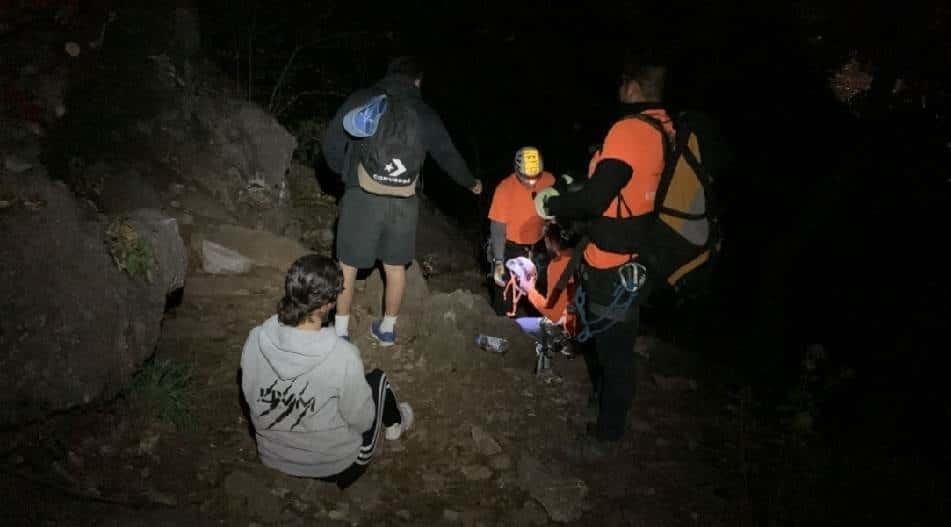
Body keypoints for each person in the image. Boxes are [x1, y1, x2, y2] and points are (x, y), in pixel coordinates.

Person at [535, 58, 671, 456]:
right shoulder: (663, 127)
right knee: (616, 344)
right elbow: (623, 186)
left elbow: (597, 198)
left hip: (612, 264)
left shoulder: (629, 129)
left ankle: (608, 434)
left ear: (632, 86)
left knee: (614, 352)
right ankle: (606, 408)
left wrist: (556, 202)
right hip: (638, 256)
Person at [321, 56, 482, 345]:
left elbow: (332, 140)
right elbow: (447, 154)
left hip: (363, 195)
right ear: (417, 81)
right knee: (395, 268)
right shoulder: (423, 112)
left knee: (347, 266)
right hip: (403, 200)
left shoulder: (364, 98)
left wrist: (344, 174)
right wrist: (471, 183)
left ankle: (340, 333)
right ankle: (387, 330)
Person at [240, 255, 414, 489]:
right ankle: (396, 425)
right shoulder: (341, 354)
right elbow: (363, 422)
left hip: (272, 456)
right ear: (326, 305)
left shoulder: (256, 339)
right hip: (338, 466)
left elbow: (251, 396)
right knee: (377, 380)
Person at [487, 146, 555, 316]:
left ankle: (540, 331)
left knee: (541, 293)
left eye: (535, 176)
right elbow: (497, 228)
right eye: (526, 177)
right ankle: (504, 329)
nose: (532, 181)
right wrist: (499, 262)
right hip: (510, 248)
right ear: (517, 170)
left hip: (539, 247)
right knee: (506, 296)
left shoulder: (549, 180)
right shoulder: (505, 189)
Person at [512, 222, 578, 344]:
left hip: (566, 327)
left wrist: (530, 290)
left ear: (549, 240)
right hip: (583, 324)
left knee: (517, 325)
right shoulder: (578, 256)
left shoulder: (557, 265)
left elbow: (553, 313)